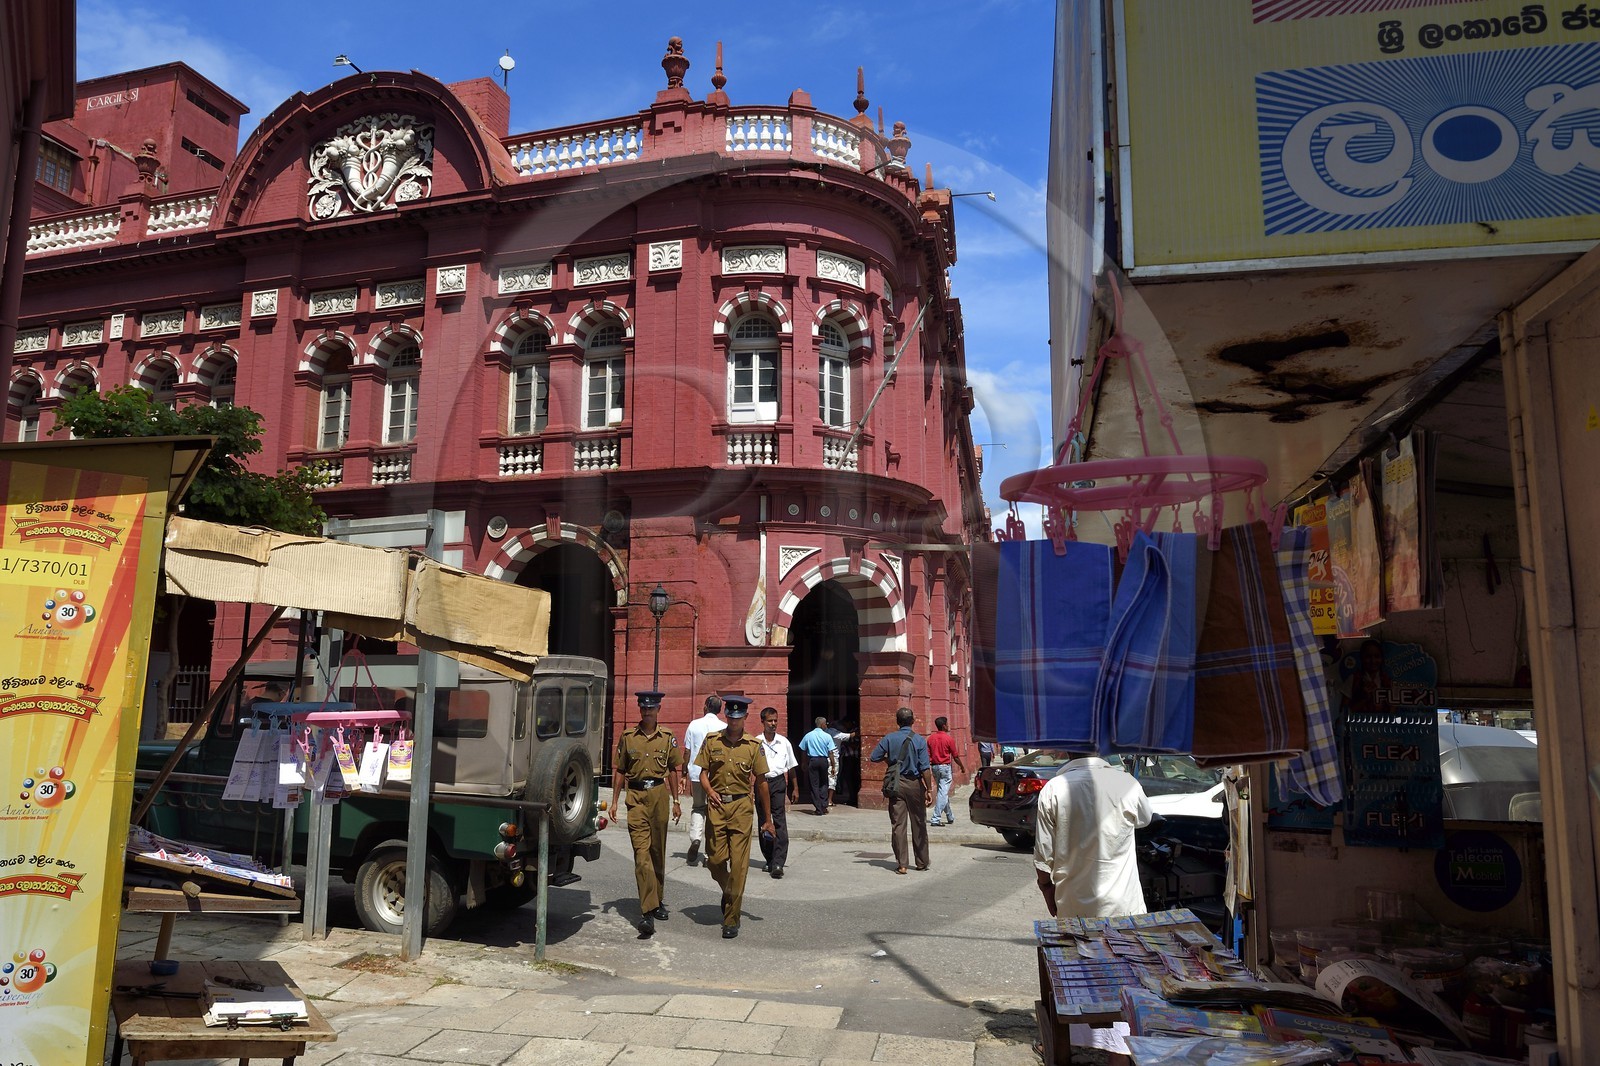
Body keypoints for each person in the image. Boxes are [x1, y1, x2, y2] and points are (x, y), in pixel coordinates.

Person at [1032, 752, 1153, 1063]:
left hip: (1073, 906)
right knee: (1123, 983)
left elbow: (1042, 860)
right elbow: (1145, 818)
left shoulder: (1054, 789)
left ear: (1067, 750)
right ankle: (1118, 1055)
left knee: (1075, 980)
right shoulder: (1126, 782)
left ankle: (1066, 1043)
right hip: (1123, 905)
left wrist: (1048, 893)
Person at [695, 695, 775, 938]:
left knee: (739, 866)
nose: (734, 721)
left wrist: (767, 819)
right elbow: (703, 773)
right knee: (715, 861)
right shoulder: (712, 741)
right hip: (717, 808)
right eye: (730, 716)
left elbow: (761, 783)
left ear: (745, 718)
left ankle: (731, 919)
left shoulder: (753, 746)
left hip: (741, 808)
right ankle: (728, 891)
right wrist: (709, 791)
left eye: (739, 717)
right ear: (726, 716)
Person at [608, 690, 685, 937]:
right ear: (639, 709)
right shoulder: (628, 737)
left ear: (658, 709)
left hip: (660, 797)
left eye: (651, 708)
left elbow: (674, 769)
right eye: (643, 708)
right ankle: (647, 913)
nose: (647, 711)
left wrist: (676, 801)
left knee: (656, 852)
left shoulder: (668, 737)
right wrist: (614, 802)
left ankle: (658, 898)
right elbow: (620, 770)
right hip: (636, 799)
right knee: (642, 855)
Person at [869, 707, 933, 875]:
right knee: (919, 822)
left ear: (897, 722)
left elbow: (874, 757)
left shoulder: (889, 738)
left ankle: (902, 864)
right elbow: (925, 768)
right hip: (914, 784)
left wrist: (892, 763)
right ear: (912, 721)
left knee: (898, 825)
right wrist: (929, 789)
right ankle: (921, 861)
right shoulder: (919, 740)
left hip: (896, 784)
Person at [682, 694, 726, 865]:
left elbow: (686, 751)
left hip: (696, 774)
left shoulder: (694, 725)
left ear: (706, 707)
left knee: (698, 807)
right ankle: (709, 853)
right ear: (720, 709)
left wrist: (683, 774)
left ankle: (695, 838)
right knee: (714, 812)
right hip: (716, 777)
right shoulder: (724, 726)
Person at [756, 706, 798, 878]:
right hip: (761, 783)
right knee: (764, 820)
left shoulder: (784, 742)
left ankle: (779, 862)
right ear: (762, 722)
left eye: (775, 720)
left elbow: (792, 767)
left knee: (779, 820)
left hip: (779, 783)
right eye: (770, 721)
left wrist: (795, 787)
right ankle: (769, 858)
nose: (773, 724)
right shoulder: (756, 742)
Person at [926, 716, 966, 827]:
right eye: (947, 724)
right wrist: (962, 767)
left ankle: (949, 816)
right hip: (945, 767)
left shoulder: (930, 739)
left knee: (942, 791)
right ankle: (935, 818)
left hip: (934, 767)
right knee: (943, 792)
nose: (948, 726)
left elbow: (928, 754)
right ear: (944, 726)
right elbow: (956, 756)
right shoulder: (949, 739)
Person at [797, 716, 836, 815]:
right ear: (822, 724)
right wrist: (833, 765)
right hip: (823, 761)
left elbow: (803, 750)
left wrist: (804, 762)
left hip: (813, 760)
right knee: (824, 783)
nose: (826, 725)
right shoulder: (827, 736)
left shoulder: (808, 735)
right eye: (826, 723)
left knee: (814, 785)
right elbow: (831, 752)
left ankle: (818, 808)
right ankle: (823, 806)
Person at [826, 719, 855, 808]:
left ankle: (823, 798)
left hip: (822, 758)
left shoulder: (824, 732)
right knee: (832, 778)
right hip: (833, 759)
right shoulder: (837, 734)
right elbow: (850, 735)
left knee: (823, 779)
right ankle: (829, 800)